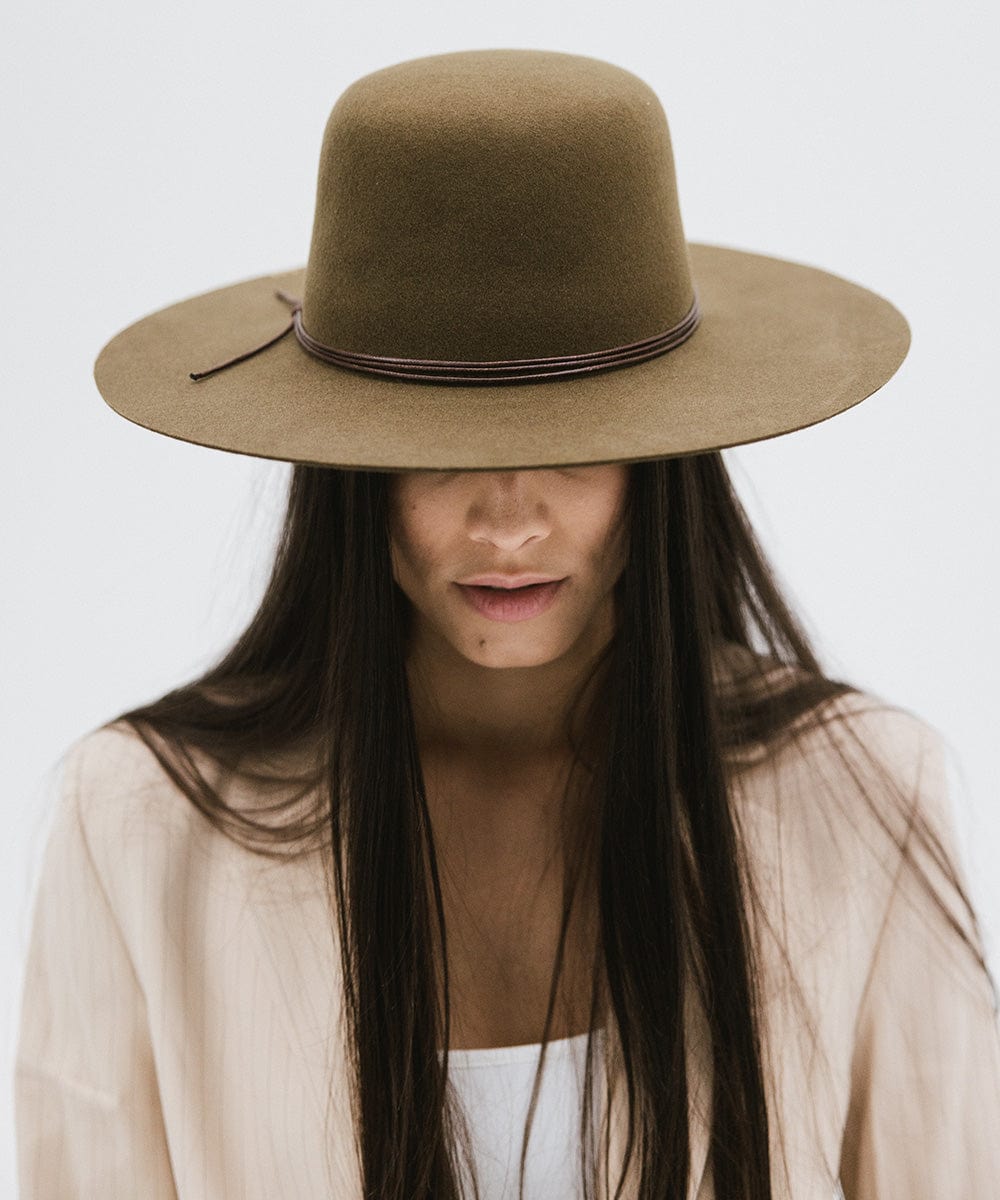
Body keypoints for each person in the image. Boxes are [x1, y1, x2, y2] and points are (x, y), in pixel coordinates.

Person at [14, 47, 1000, 1200]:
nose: (510, 521)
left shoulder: (858, 799)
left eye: (575, 440)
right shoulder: (140, 827)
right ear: (350, 472)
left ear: (663, 460)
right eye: (442, 450)